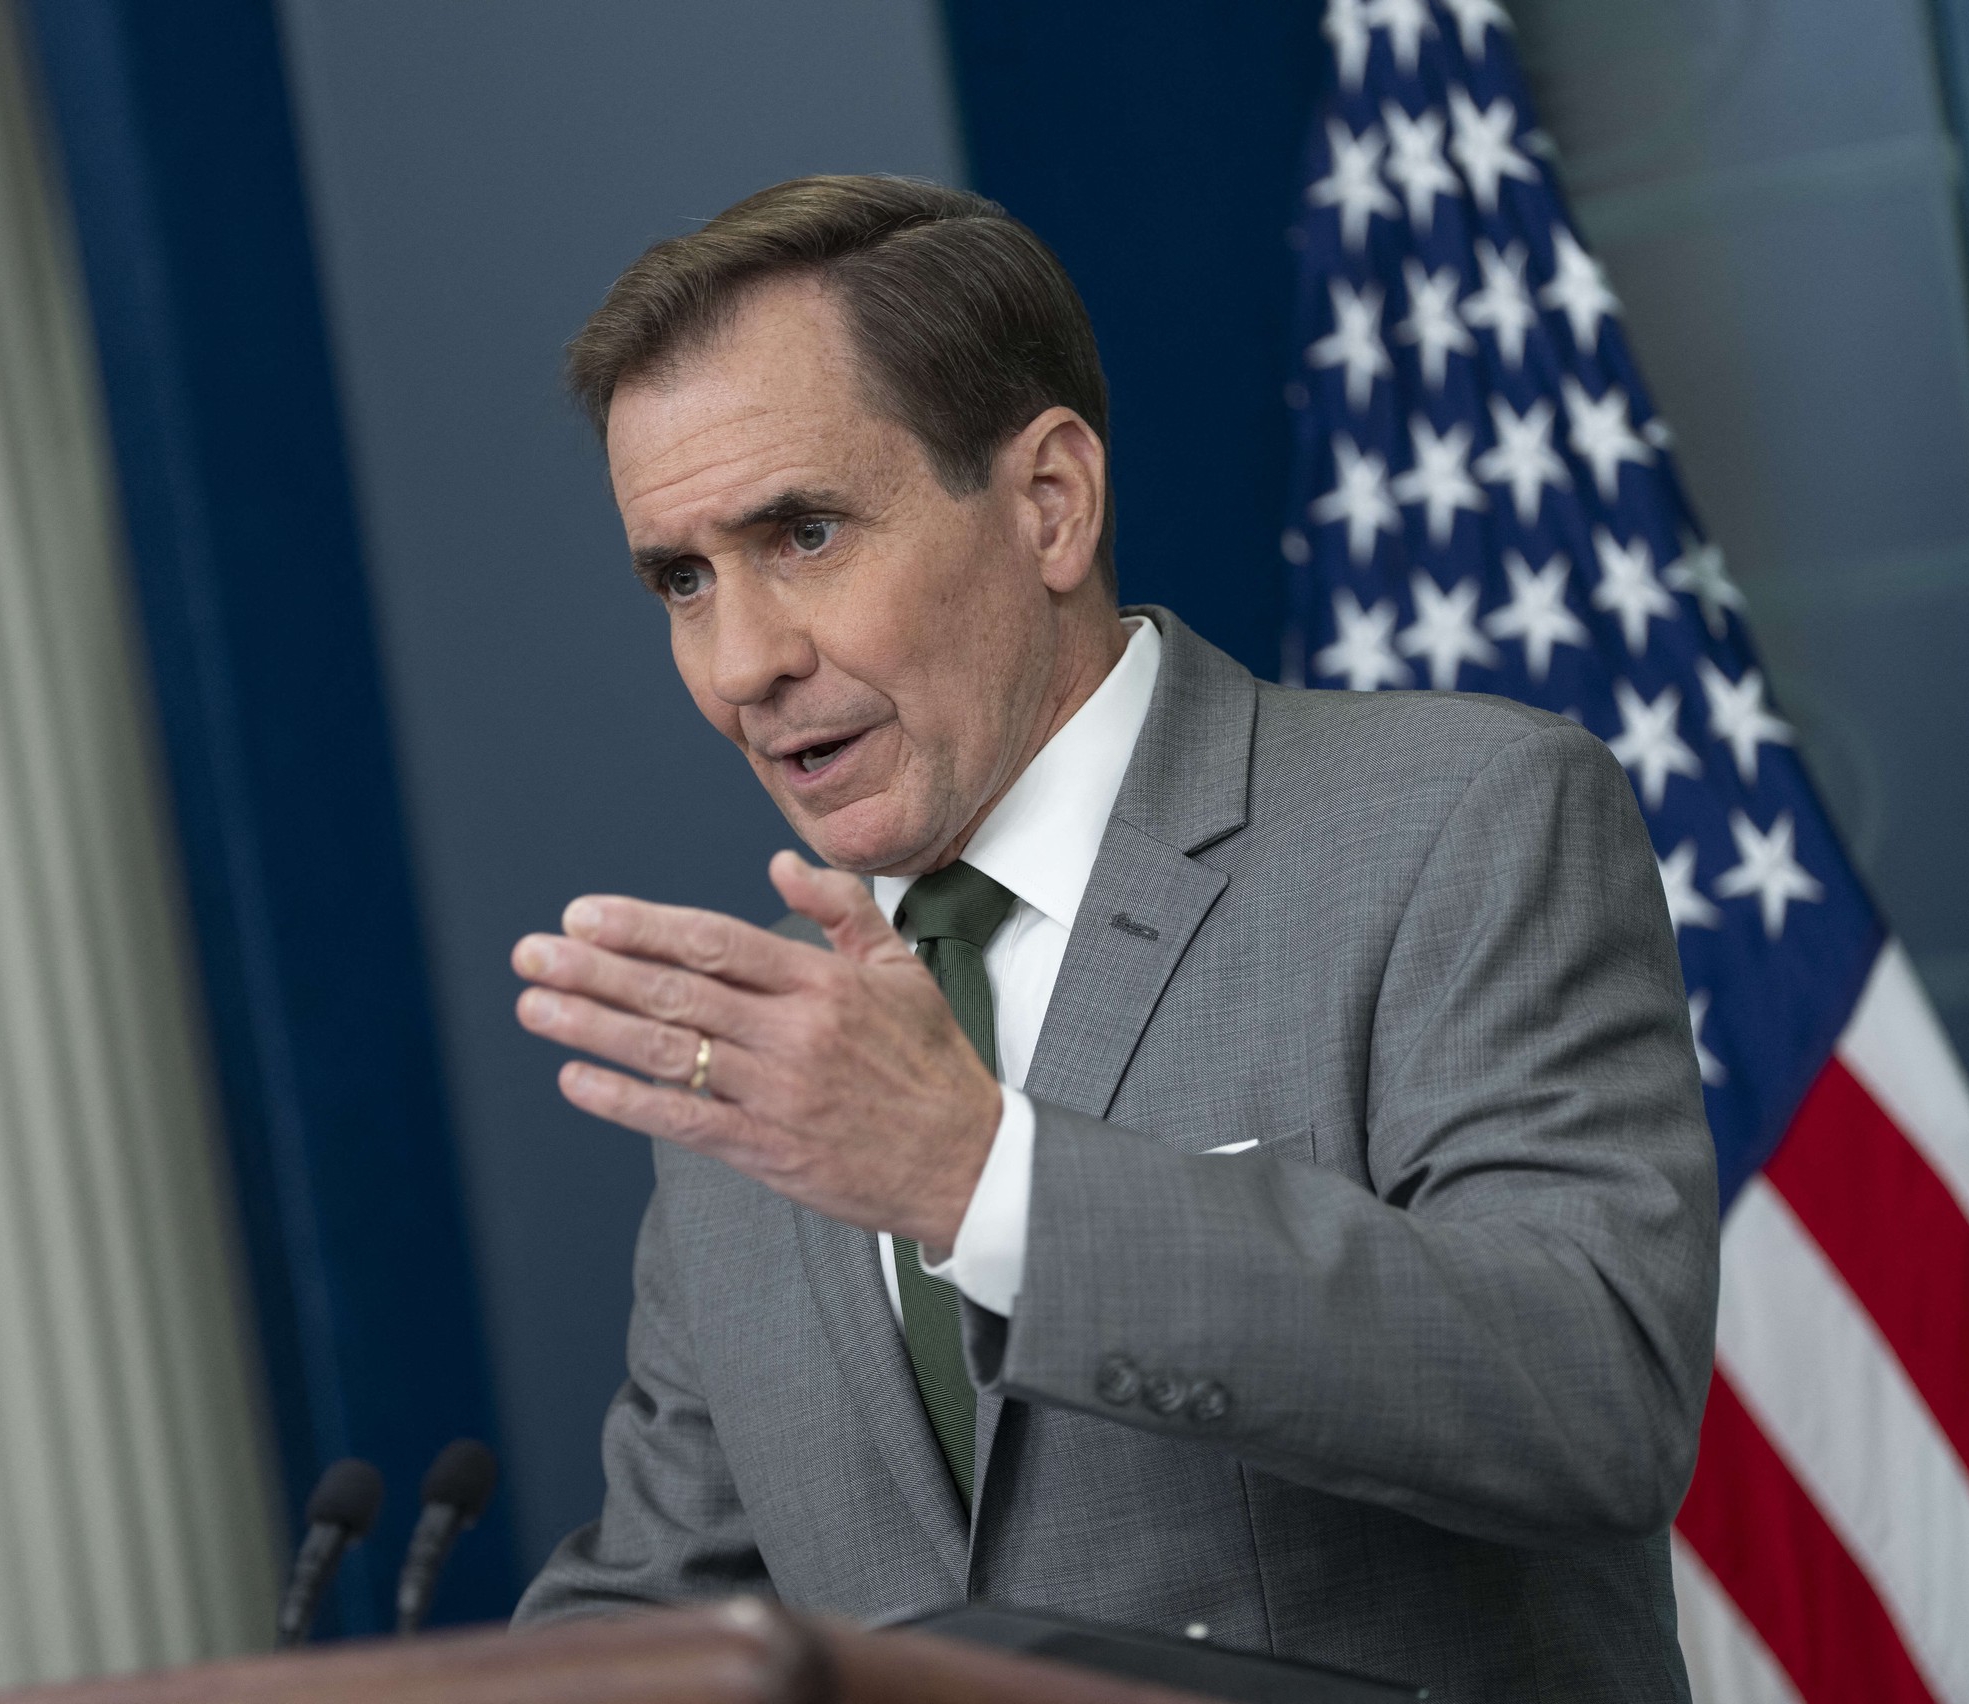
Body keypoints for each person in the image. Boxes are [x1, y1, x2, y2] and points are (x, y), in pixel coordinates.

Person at [506, 175, 1716, 1703]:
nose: (743, 661)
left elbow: (1597, 1396)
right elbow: (664, 1613)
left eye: (803, 533)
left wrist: (985, 1179)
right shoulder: (771, 1050)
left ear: (1050, 505)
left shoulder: (1459, 823)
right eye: (684, 579)